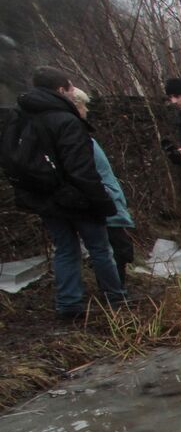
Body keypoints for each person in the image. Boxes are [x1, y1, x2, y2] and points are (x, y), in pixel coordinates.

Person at [6, 67, 127, 319]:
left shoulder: (21, 117)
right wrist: (101, 201)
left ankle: (69, 305)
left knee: (65, 249)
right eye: (71, 88)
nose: (73, 92)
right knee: (100, 248)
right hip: (78, 198)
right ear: (61, 90)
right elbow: (81, 168)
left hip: (44, 197)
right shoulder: (66, 120)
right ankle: (115, 299)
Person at [70, 88, 135, 285]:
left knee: (117, 248)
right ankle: (115, 293)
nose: (86, 110)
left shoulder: (80, 135)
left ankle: (116, 289)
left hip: (107, 200)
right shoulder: (76, 138)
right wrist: (105, 197)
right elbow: (88, 173)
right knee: (115, 249)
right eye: (83, 105)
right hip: (103, 203)